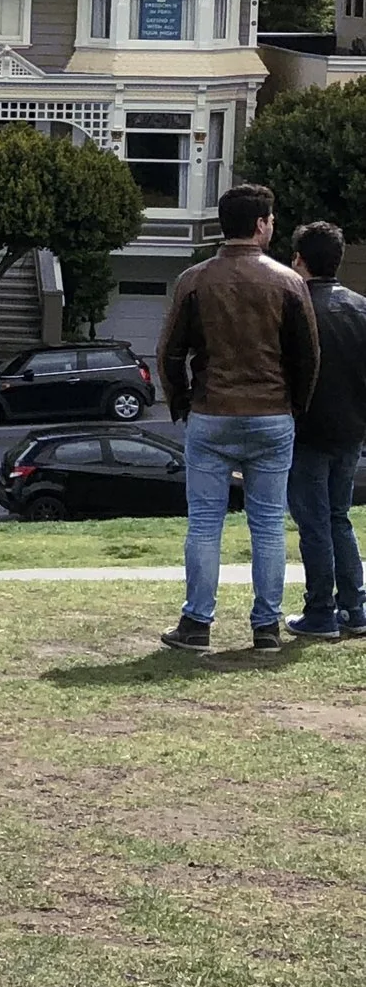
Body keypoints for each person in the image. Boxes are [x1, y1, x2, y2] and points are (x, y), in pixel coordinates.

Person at [158, 181, 319, 654]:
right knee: (268, 523)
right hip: (271, 413)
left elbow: (170, 352)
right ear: (261, 225)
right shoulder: (288, 283)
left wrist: (181, 400)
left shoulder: (195, 279)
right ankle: (266, 626)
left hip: (211, 412)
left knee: (204, 523)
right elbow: (307, 356)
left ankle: (196, 623)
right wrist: (297, 406)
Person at [286, 220, 366, 643]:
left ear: (300, 259)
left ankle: (321, 610)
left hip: (307, 429)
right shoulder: (360, 307)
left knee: (314, 521)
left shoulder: (296, 308)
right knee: (339, 517)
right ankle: (354, 606)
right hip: (351, 429)